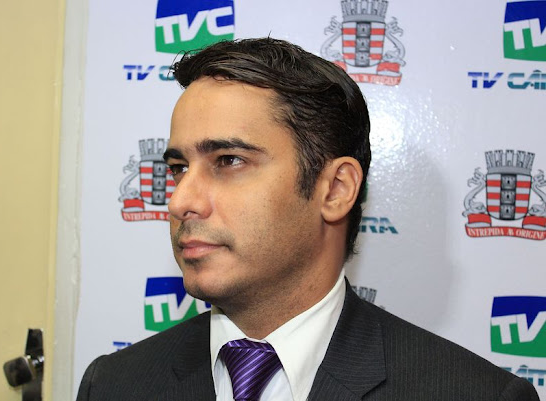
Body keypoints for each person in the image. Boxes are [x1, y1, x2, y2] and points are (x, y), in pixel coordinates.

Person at [76, 38, 539, 401]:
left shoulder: (471, 394)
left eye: (229, 160)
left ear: (335, 190)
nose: (180, 201)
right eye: (179, 168)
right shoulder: (114, 385)